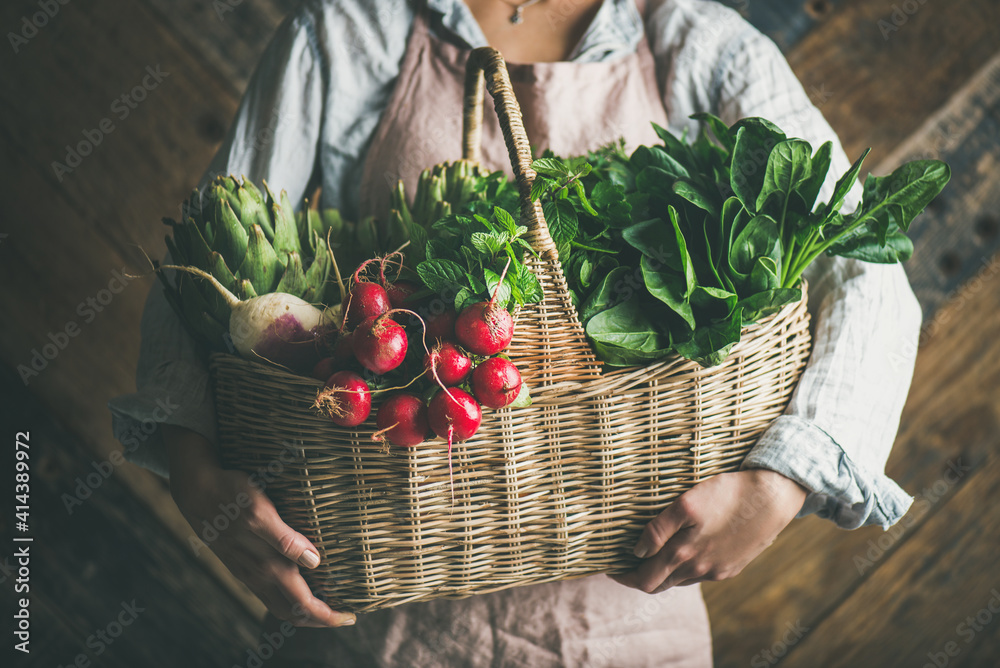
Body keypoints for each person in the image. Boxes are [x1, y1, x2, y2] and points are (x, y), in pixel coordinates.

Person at [108, 0, 921, 665]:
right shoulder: (352, 32)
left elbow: (866, 270)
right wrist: (195, 471)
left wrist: (785, 480)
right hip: (372, 616)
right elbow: (201, 271)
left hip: (629, 621)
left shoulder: (702, 46)